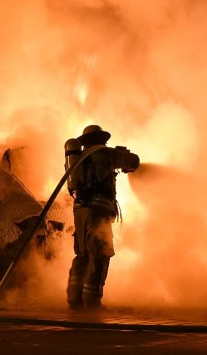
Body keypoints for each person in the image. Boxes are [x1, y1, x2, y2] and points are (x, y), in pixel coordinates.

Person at [65, 125, 139, 310]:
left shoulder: (78, 160)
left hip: (79, 210)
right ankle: (92, 302)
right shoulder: (105, 154)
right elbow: (133, 161)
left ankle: (74, 298)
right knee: (99, 254)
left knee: (82, 254)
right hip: (98, 210)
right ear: (102, 139)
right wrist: (129, 163)